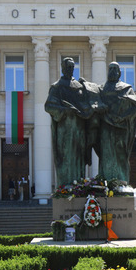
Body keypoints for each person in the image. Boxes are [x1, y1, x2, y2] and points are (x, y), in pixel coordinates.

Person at [45, 57, 99, 187]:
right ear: (62, 68)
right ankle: (66, 186)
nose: (70, 69)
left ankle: (79, 185)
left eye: (72, 67)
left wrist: (87, 87)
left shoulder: (79, 86)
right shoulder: (57, 87)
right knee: (66, 157)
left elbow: (89, 102)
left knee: (79, 156)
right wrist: (65, 110)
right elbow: (49, 106)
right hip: (65, 128)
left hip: (80, 128)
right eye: (68, 67)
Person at [96, 62, 136, 182]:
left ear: (119, 73)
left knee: (121, 155)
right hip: (105, 126)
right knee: (105, 155)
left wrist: (123, 116)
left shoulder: (126, 88)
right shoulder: (101, 89)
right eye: (110, 68)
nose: (112, 71)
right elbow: (95, 105)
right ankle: (105, 183)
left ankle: (121, 182)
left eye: (114, 69)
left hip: (121, 127)